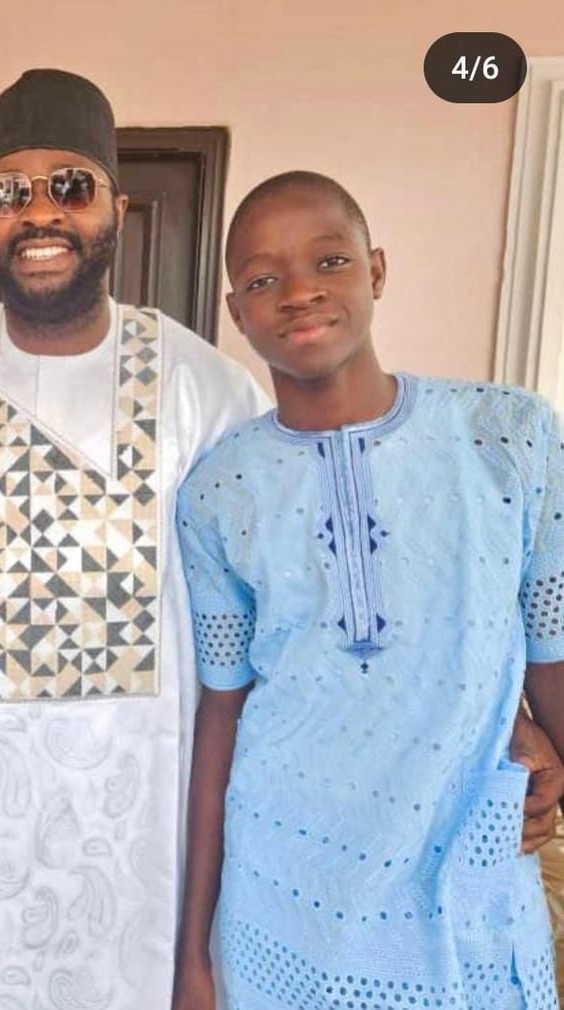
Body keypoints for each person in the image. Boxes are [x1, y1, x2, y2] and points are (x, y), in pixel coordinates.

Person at [0, 68, 271, 1010]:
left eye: (70, 186)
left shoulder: (209, 393)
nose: (40, 213)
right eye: (9, 192)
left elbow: (280, 600)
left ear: (115, 206)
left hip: (143, 831)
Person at [173, 170, 564, 1010]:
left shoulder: (510, 439)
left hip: (464, 894)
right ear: (237, 309)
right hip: (281, 902)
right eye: (264, 279)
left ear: (376, 271)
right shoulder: (218, 490)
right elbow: (223, 712)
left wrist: (542, 746)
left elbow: (551, 653)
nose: (301, 293)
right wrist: (192, 954)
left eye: (331, 261)